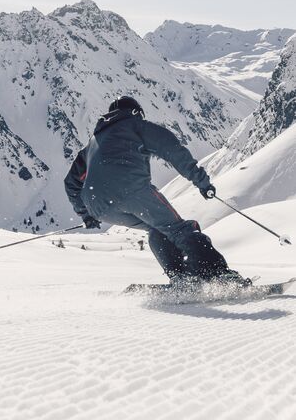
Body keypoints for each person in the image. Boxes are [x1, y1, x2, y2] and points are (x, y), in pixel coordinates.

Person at [64, 96, 249, 286]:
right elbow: (172, 150)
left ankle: (181, 278)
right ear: (136, 112)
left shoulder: (93, 142)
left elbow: (71, 182)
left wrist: (87, 214)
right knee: (179, 229)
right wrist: (201, 182)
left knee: (157, 228)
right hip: (132, 190)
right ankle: (217, 274)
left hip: (98, 206)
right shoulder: (135, 125)